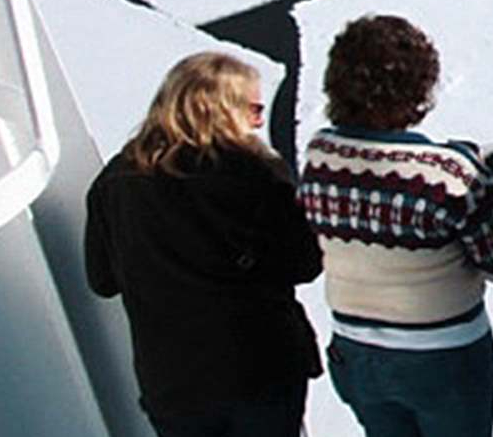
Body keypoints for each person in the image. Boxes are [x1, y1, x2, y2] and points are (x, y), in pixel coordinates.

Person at [299, 15, 493, 437]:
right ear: (417, 88)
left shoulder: (319, 156)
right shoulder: (448, 174)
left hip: (356, 350)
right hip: (443, 356)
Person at [83, 51, 322, 437]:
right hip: (260, 366)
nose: (259, 122)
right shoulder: (257, 175)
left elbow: (102, 280)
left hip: (172, 379)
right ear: (225, 110)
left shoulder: (116, 181)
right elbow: (305, 263)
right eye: (254, 109)